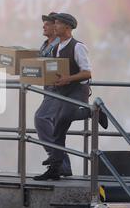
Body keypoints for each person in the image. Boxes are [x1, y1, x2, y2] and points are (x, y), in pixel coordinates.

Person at [33, 13, 107, 181]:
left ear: (67, 27)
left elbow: (87, 72)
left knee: (64, 117)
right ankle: (55, 167)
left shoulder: (77, 46)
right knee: (59, 127)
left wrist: (67, 79)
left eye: (58, 24)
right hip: (63, 90)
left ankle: (92, 112)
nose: (55, 26)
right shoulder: (58, 46)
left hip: (76, 90)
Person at [34, 12, 72, 177]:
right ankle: (61, 166)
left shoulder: (60, 44)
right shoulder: (45, 45)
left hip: (58, 89)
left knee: (41, 119)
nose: (45, 26)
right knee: (55, 129)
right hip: (48, 89)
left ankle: (57, 159)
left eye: (49, 24)